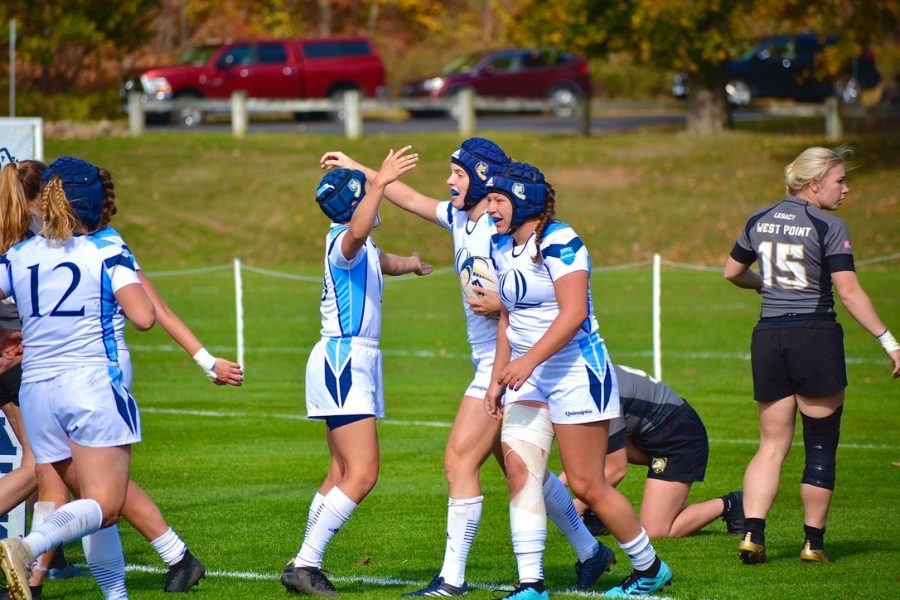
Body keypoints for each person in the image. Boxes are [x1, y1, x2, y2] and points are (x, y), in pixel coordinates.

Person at [320, 139, 616, 596]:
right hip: (493, 361)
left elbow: (538, 295)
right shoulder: (461, 217)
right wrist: (364, 171)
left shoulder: (502, 229)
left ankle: (451, 580)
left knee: (459, 458)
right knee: (518, 466)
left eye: (458, 174)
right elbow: (412, 199)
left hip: (508, 364)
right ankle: (590, 551)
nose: (449, 182)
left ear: (481, 177)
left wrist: (504, 305)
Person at [484, 162, 672, 599]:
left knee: (588, 483)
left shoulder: (561, 240)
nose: (489, 208)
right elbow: (508, 318)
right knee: (521, 472)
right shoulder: (501, 246)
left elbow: (574, 314)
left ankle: (650, 569)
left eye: (498, 200)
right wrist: (499, 376)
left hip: (576, 372)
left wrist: (527, 362)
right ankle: (531, 585)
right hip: (530, 374)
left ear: (523, 201)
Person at [724, 145, 900, 564]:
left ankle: (752, 534)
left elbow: (732, 272)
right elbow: (850, 291)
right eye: (839, 180)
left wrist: (762, 285)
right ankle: (812, 544)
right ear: (815, 182)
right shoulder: (829, 225)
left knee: (771, 445)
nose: (846, 188)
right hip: (814, 335)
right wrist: (890, 341)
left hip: (768, 335)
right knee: (820, 445)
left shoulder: (759, 219)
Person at [0, 156, 157, 600]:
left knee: (89, 501)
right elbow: (144, 316)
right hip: (89, 383)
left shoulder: (20, 253)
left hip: (36, 392)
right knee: (106, 504)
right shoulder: (106, 248)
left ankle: (116, 595)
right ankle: (26, 546)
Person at [281, 147, 433, 597]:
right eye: (367, 195)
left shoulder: (362, 247)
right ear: (354, 205)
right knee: (363, 474)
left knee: (339, 472)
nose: (375, 199)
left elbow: (381, 261)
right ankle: (305, 564)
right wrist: (381, 180)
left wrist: (412, 263)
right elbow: (358, 234)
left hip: (350, 361)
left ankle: (302, 561)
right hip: (344, 362)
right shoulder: (344, 241)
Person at [564, 364, 744, 538]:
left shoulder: (599, 390)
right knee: (594, 443)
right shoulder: (589, 375)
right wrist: (554, 489)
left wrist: (575, 506)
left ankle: (732, 504)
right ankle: (599, 513)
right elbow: (586, 451)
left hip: (679, 439)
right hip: (653, 435)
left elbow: (616, 470)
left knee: (654, 531)